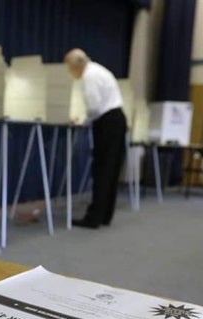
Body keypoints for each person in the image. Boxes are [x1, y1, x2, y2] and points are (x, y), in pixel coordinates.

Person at [64, 48, 127, 229]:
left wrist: (82, 122)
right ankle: (105, 215)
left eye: (69, 67)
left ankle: (93, 218)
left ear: (76, 65)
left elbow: (94, 107)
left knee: (102, 170)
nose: (69, 72)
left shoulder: (89, 76)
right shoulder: (99, 70)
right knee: (112, 170)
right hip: (117, 119)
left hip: (106, 123)